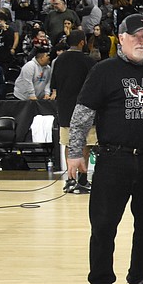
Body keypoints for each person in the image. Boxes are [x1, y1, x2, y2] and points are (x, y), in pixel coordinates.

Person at [65, 13, 143, 284]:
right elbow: (82, 115)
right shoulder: (104, 70)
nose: (142, 40)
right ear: (121, 39)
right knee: (103, 225)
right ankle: (101, 283)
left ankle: (140, 276)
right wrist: (75, 152)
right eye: (135, 35)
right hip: (114, 159)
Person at [51, 31, 97, 193]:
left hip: (64, 109)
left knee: (69, 143)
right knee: (85, 144)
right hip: (85, 109)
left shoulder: (58, 60)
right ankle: (83, 180)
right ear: (82, 43)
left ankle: (70, 180)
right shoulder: (88, 61)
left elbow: (54, 86)